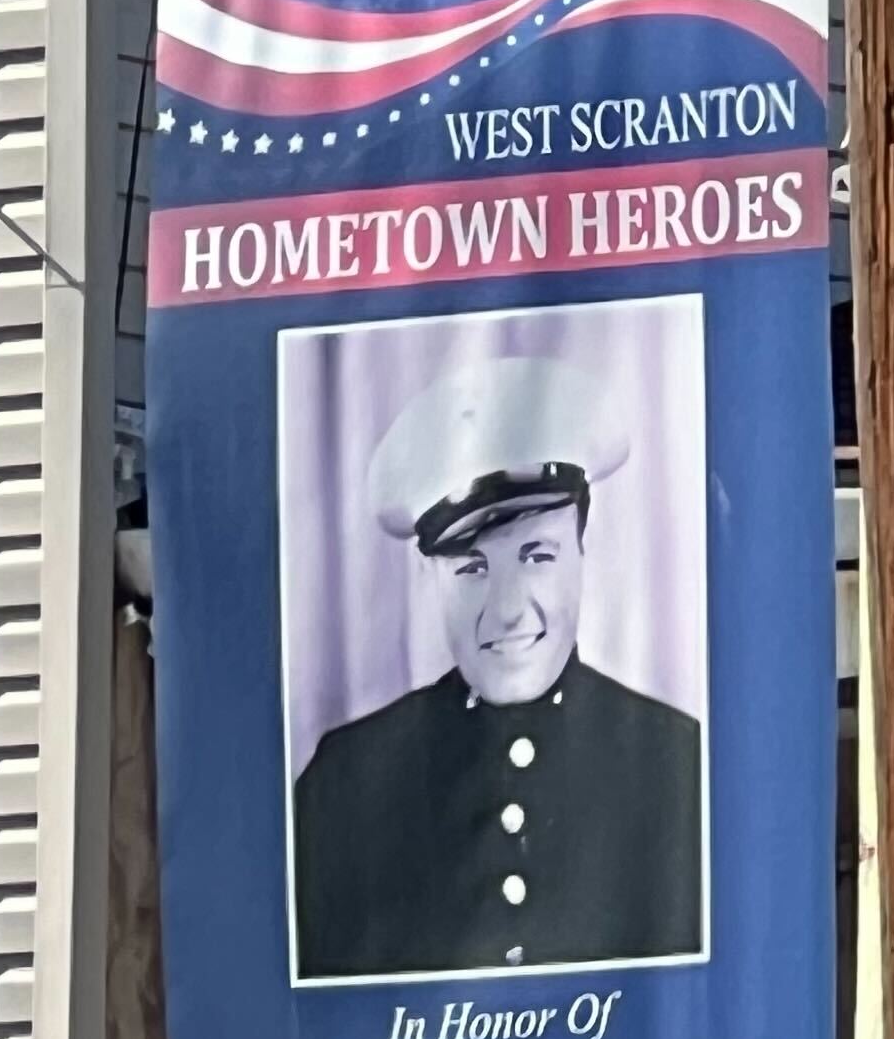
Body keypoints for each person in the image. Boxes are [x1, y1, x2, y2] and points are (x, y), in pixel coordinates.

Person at [291, 348, 705, 978]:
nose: (508, 611)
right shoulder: (344, 782)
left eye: (537, 555)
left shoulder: (679, 763)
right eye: (472, 568)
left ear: (583, 554)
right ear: (430, 574)